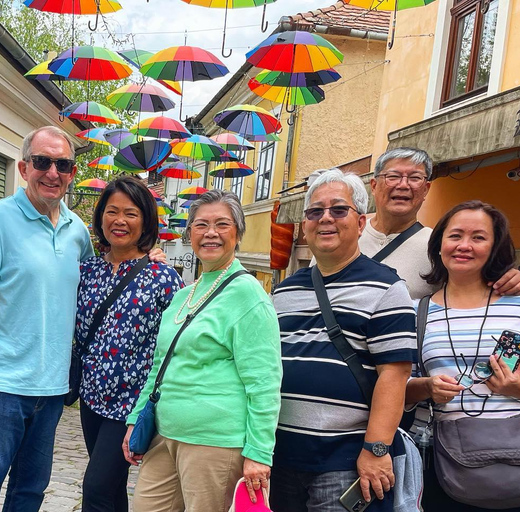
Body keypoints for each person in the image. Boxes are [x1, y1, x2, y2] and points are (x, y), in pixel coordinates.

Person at [0, 125, 94, 512]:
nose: (53, 172)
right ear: (25, 168)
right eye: (43, 162)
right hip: (0, 386)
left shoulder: (78, 231)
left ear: (73, 172)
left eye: (63, 164)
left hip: (53, 387)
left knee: (30, 493)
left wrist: (149, 258)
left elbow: (98, 279)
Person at [123, 189, 282, 512]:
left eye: (222, 224)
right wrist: (136, 419)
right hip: (164, 434)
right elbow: (159, 366)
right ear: (189, 233)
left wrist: (258, 453)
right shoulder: (185, 294)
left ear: (237, 232)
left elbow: (264, 382)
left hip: (215, 442)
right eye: (201, 225)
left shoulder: (248, 294)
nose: (210, 233)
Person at [271, 169, 416, 512]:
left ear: (361, 221)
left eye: (338, 210)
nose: (325, 219)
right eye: (314, 211)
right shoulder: (284, 289)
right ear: (305, 224)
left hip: (346, 460)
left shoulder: (388, 288)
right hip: (280, 456)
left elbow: (394, 376)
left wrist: (377, 449)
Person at [404, 201, 520, 512]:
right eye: (455, 235)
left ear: (495, 247)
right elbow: (399, 389)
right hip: (445, 467)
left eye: (479, 237)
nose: (464, 245)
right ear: (439, 243)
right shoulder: (416, 313)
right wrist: (426, 387)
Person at [75, 176, 183, 512]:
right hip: (91, 398)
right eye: (112, 211)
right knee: (109, 489)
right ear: (101, 217)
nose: (119, 221)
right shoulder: (87, 271)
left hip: (130, 404)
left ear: (146, 221)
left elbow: (174, 345)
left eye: (131, 213)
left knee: (95, 487)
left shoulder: (163, 277)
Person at [361, 147, 520, 299]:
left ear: (426, 189)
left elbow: (479, 284)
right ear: (374, 186)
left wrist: (511, 279)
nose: (404, 185)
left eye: (415, 178)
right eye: (393, 176)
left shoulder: (441, 246)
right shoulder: (349, 233)